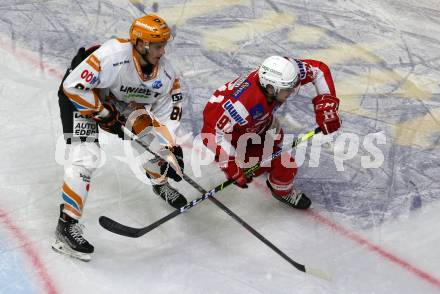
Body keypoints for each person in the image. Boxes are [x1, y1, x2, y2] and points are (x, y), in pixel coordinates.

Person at [52, 14, 186, 261]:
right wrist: (102, 113)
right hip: (83, 96)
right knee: (85, 156)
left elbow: (168, 113)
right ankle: (66, 225)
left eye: (164, 44)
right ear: (142, 44)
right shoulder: (111, 57)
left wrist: (168, 147)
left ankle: (160, 184)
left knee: (147, 136)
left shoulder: (165, 74)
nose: (163, 51)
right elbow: (72, 87)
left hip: (117, 98)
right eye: (158, 45)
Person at [201, 55, 341, 210]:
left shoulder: (285, 72)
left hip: (257, 124)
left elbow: (318, 70)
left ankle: (261, 157)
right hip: (236, 140)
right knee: (286, 166)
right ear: (270, 88)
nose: (292, 91)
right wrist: (231, 163)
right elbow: (210, 133)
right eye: (288, 90)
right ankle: (281, 190)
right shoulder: (239, 107)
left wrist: (327, 107)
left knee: (276, 135)